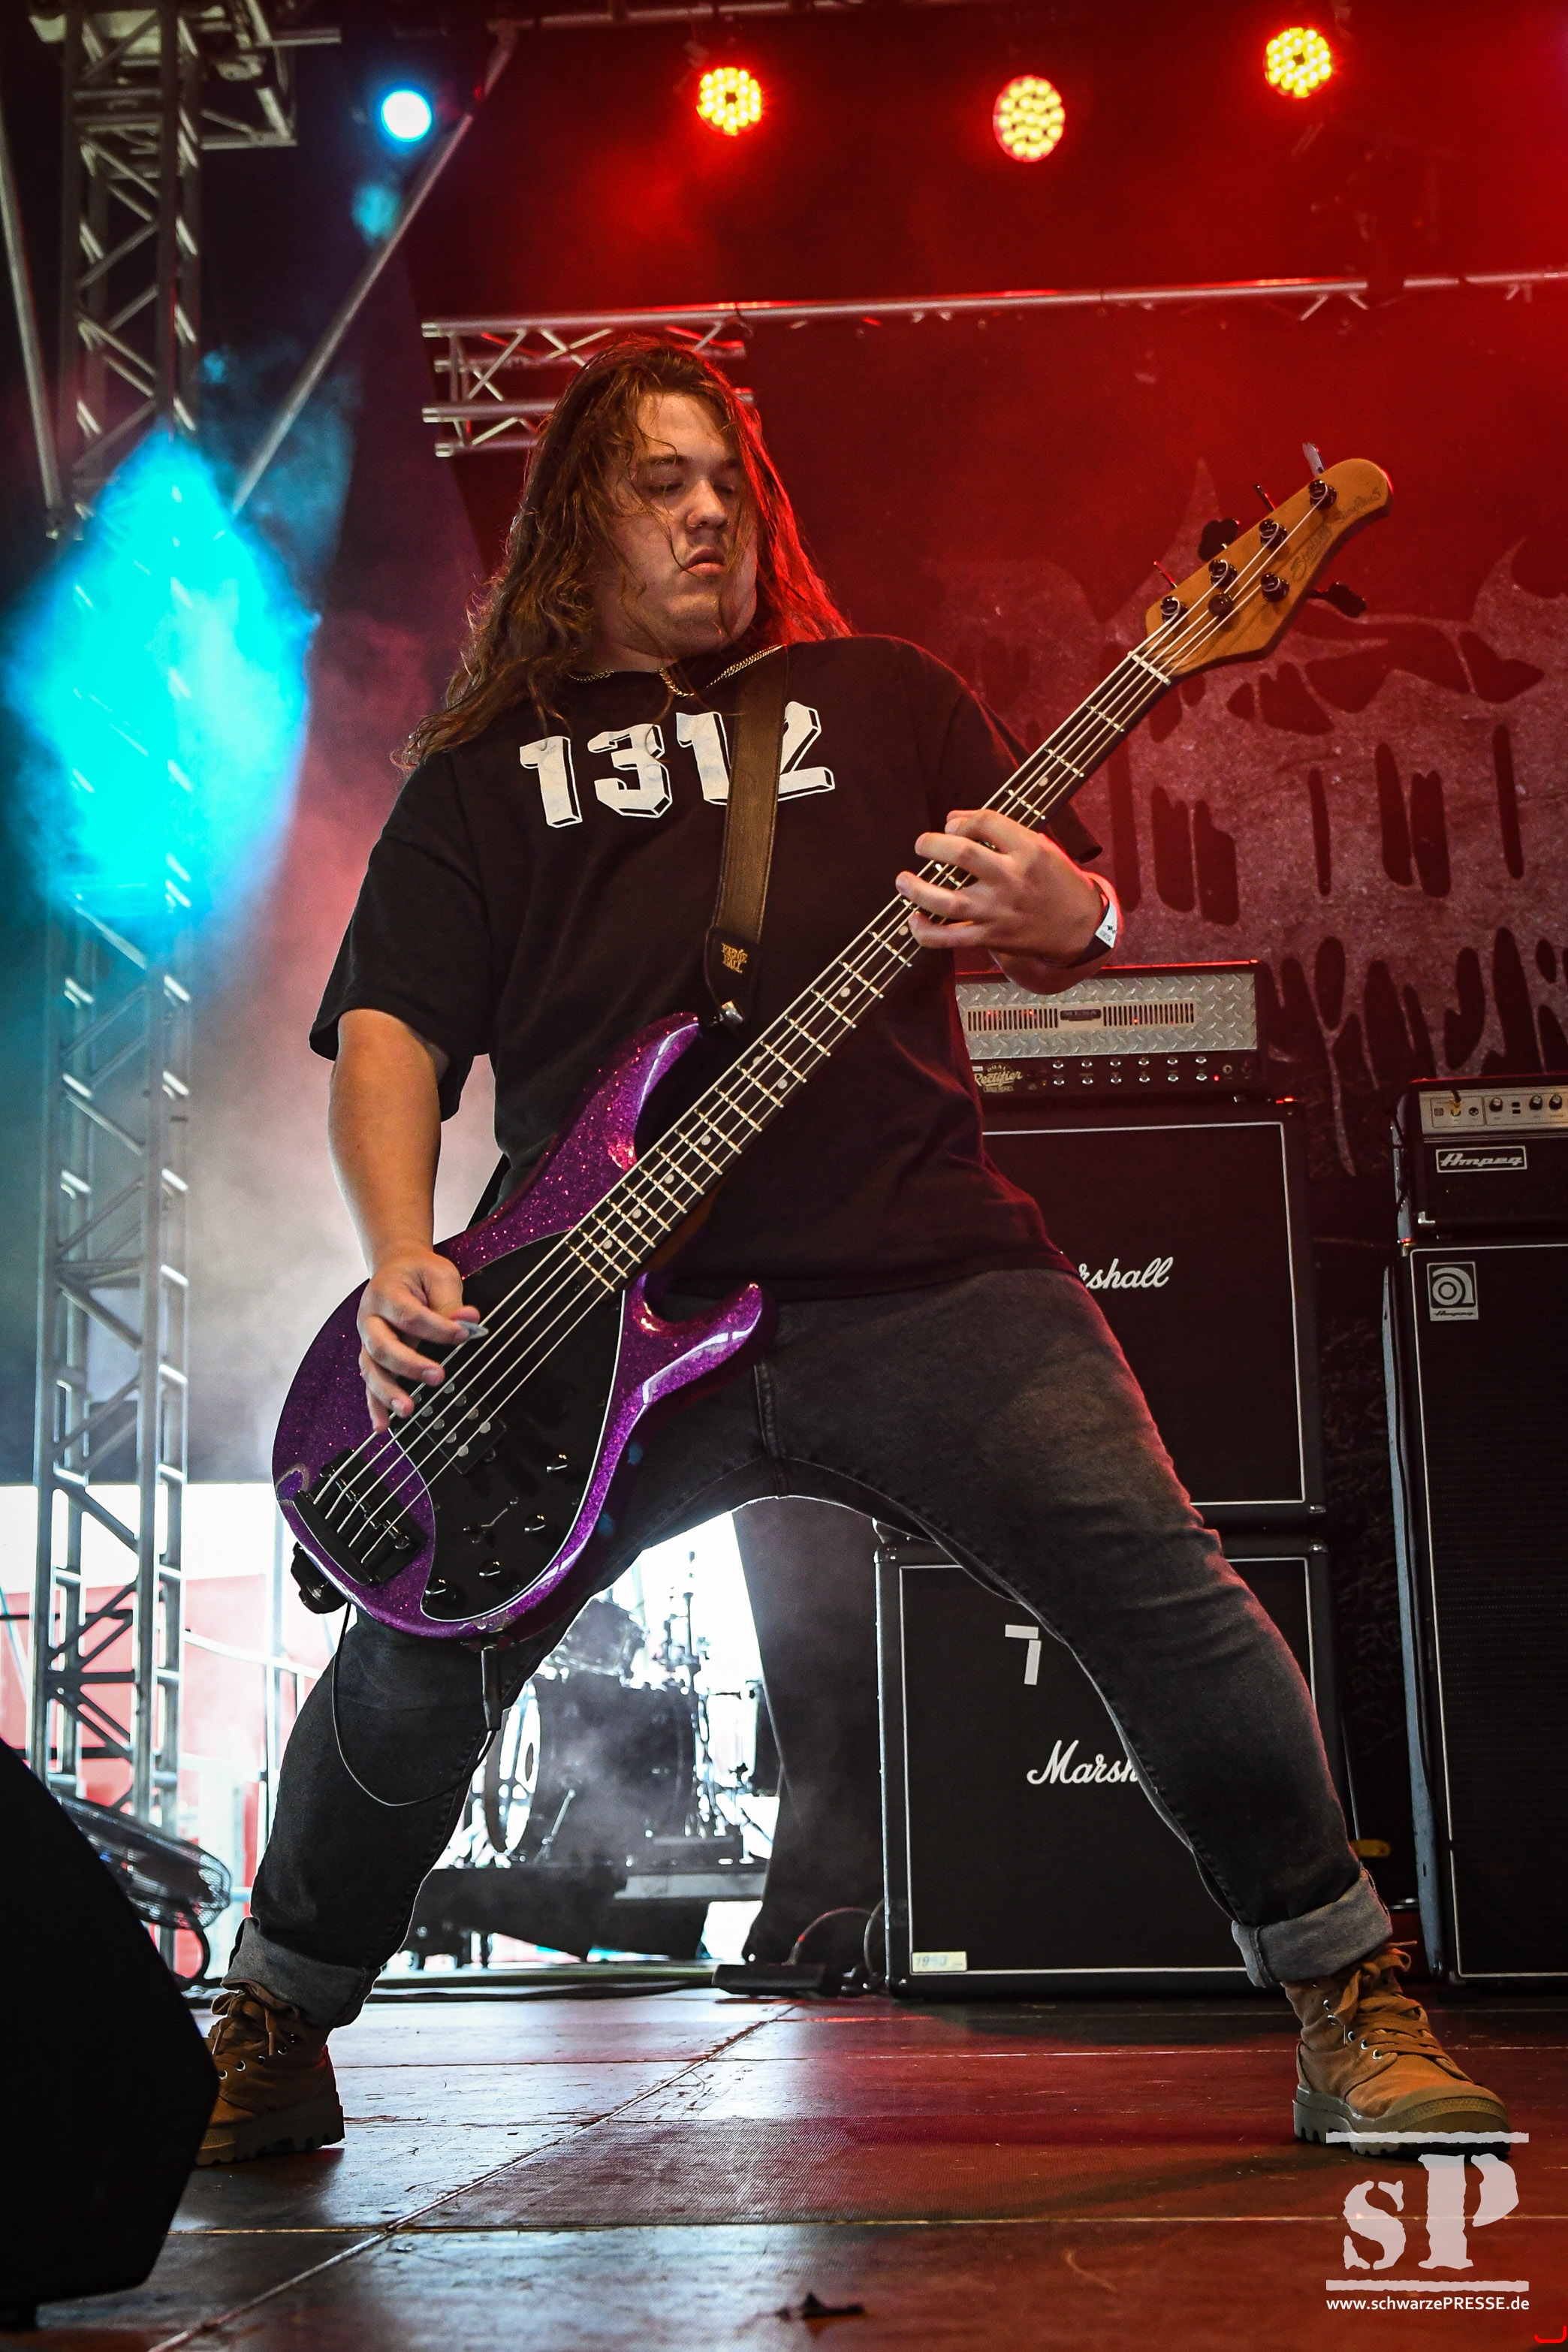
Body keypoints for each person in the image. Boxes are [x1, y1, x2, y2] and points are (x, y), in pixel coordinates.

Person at [199, 338, 1506, 2167]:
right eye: (660, 481)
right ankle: (274, 2023)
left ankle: (1349, 1996)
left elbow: (1053, 922)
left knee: (1161, 1590)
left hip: (919, 1268)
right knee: (416, 1657)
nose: (708, 512)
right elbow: (393, 1031)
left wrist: (1074, 911)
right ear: (578, 522)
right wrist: (404, 1249)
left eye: (727, 480)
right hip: (591, 1321)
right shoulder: (486, 777)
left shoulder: (883, 697)